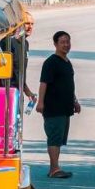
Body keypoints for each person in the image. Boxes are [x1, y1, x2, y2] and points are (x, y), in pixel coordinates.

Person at [36, 30, 81, 178]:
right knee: (54, 138)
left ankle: (55, 167)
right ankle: (54, 169)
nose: (66, 45)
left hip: (65, 108)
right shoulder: (51, 62)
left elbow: (69, 84)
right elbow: (43, 83)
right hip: (53, 107)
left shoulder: (67, 62)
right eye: (62, 42)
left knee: (59, 139)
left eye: (68, 42)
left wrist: (75, 101)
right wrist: (40, 102)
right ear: (55, 44)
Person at [0, 8, 36, 101]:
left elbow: (19, 72)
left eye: (32, 24)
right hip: (6, 94)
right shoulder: (8, 41)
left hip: (17, 94)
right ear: (19, 24)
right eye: (27, 23)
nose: (30, 27)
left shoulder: (25, 43)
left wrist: (28, 92)